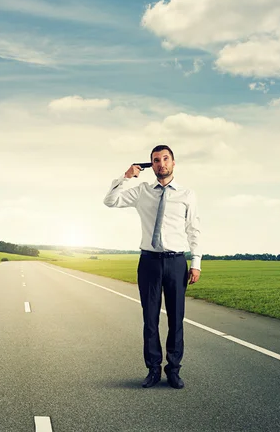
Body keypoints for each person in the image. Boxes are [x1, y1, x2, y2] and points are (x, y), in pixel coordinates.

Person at [103, 145, 201, 389]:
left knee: (176, 319)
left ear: (173, 163)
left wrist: (196, 262)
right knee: (150, 320)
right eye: (156, 160)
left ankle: (174, 370)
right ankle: (153, 370)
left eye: (165, 159)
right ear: (151, 166)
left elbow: (193, 230)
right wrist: (125, 177)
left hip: (177, 262)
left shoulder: (187, 195)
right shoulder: (142, 192)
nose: (161, 164)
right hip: (149, 262)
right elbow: (110, 201)